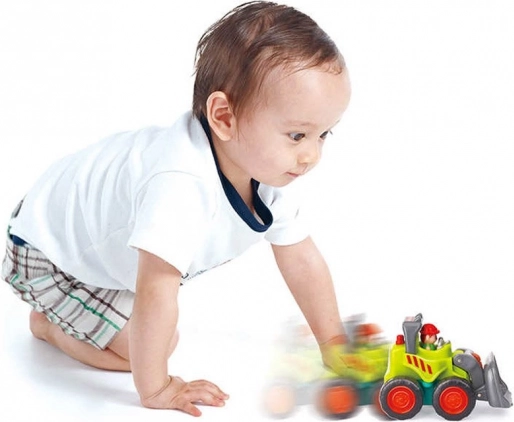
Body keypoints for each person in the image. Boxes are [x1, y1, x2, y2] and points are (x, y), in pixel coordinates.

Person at [1, 1, 351, 417]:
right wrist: (157, 388)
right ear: (224, 117)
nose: (311, 156)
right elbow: (156, 288)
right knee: (151, 347)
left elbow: (301, 258)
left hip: (95, 246)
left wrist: (334, 344)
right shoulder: (180, 185)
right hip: (45, 252)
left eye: (323, 134)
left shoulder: (266, 168)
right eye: (297, 135)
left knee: (149, 335)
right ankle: (47, 326)